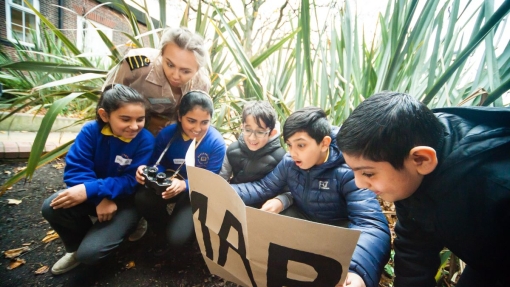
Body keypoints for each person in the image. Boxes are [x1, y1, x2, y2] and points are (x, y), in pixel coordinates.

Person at [336, 91, 510, 287]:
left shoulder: (496, 184)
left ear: (421, 159)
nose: (359, 184)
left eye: (367, 173)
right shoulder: (408, 175)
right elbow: (414, 251)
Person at [231, 107, 391, 287]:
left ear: (324, 143)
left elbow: (371, 224)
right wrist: (224, 190)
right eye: (289, 145)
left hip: (336, 230)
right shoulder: (289, 163)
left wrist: (356, 271)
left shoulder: (347, 172)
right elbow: (263, 187)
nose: (293, 152)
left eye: (301, 145)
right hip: (302, 221)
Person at [41, 84, 155, 275]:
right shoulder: (90, 132)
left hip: (126, 201)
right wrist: (99, 198)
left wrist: (93, 190)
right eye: (125, 119)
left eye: (140, 119)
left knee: (91, 255)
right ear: (104, 115)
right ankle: (76, 248)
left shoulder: (145, 140)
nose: (134, 126)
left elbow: (131, 181)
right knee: (52, 207)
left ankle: (127, 225)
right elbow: (76, 170)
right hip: (97, 196)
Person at [134, 90, 226, 256]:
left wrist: (184, 185)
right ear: (179, 116)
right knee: (142, 198)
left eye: (205, 122)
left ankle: (178, 234)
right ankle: (161, 230)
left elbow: (211, 180)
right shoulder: (167, 135)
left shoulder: (215, 143)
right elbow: (157, 163)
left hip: (195, 190)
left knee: (178, 240)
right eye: (191, 121)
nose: (198, 128)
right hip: (169, 184)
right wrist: (152, 174)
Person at [104, 26, 211, 135]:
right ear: (161, 53)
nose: (175, 75)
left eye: (185, 71)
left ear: (198, 69)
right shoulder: (136, 63)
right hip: (129, 122)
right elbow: (108, 95)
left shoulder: (201, 83)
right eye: (170, 64)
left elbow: (196, 117)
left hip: (170, 129)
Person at [219, 100, 290, 210]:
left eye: (260, 132)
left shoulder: (281, 157)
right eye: (248, 130)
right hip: (234, 204)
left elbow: (289, 192)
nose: (252, 137)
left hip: (264, 210)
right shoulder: (232, 151)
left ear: (272, 133)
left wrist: (280, 201)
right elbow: (221, 180)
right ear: (242, 126)